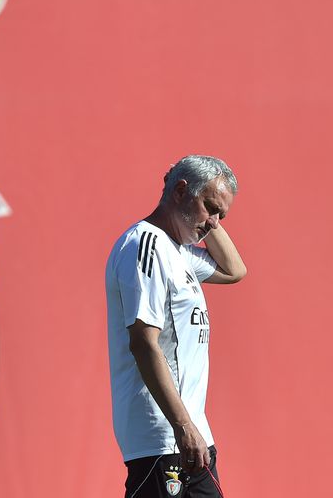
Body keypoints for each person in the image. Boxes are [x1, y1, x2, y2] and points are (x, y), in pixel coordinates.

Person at [105, 155, 247, 498]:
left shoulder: (179, 251)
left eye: (222, 215)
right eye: (210, 207)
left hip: (193, 438)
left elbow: (234, 270)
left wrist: (210, 216)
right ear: (181, 191)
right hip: (163, 437)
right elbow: (143, 343)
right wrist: (182, 426)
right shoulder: (145, 245)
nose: (214, 223)